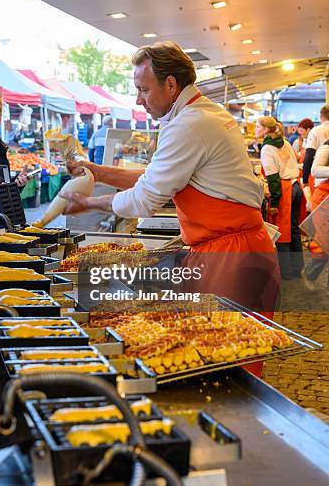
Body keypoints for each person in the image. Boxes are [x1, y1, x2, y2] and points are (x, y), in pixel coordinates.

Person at [62, 41, 280, 316]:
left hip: (230, 257)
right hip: (230, 249)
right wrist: (97, 170)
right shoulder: (204, 113)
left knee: (227, 350)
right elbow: (153, 177)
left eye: (143, 89)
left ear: (171, 85)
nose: (138, 100)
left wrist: (87, 202)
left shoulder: (188, 125)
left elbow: (143, 200)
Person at [255, 116, 305, 281]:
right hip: (295, 185)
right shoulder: (285, 141)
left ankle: (286, 272)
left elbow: (273, 177)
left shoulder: (267, 148)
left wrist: (274, 202)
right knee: (293, 228)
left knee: (281, 231)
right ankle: (298, 268)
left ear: (266, 130)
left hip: (284, 189)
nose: (255, 129)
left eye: (257, 126)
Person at [304, 138, 329, 288]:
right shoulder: (326, 149)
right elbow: (315, 170)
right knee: (324, 242)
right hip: (323, 199)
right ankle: (310, 274)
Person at [302, 105, 329, 200]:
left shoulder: (316, 131)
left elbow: (309, 155)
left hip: (320, 180)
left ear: (321, 116)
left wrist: (305, 179)